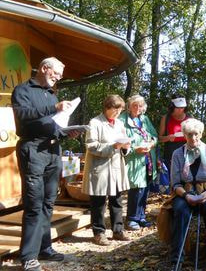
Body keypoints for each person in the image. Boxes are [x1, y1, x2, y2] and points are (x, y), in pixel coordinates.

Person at [12, 57, 82, 271]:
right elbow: (23, 115)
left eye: (60, 75)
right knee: (33, 204)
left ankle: (44, 248)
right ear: (44, 68)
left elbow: (51, 124)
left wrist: (66, 132)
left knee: (48, 202)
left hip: (53, 151)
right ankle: (28, 257)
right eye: (56, 73)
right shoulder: (23, 90)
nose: (58, 78)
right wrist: (54, 107)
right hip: (32, 150)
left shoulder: (51, 93)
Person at [169, 118, 206, 271]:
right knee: (180, 210)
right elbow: (175, 182)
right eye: (189, 134)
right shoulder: (178, 153)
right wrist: (186, 196)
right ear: (184, 135)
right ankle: (176, 258)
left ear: (201, 134)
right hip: (184, 191)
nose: (193, 138)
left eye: (196, 134)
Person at [82, 95, 131, 245]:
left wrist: (126, 148)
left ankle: (118, 230)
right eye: (115, 109)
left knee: (117, 201)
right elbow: (91, 145)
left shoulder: (120, 124)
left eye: (120, 110)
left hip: (116, 168)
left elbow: (124, 145)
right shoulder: (95, 122)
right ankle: (99, 233)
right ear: (107, 107)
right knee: (98, 202)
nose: (118, 113)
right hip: (100, 168)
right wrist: (112, 147)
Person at [120, 95, 158, 230]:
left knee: (145, 187)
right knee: (136, 188)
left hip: (148, 159)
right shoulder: (122, 120)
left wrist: (152, 143)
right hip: (134, 160)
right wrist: (136, 149)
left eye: (140, 105)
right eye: (134, 105)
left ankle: (141, 216)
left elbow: (154, 135)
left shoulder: (144, 119)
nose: (137, 108)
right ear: (129, 106)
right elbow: (121, 143)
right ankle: (131, 219)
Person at [158, 96, 190, 171]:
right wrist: (168, 138)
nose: (180, 110)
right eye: (178, 107)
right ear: (172, 107)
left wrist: (189, 137)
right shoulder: (166, 118)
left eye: (182, 107)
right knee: (172, 177)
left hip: (187, 150)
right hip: (170, 151)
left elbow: (197, 136)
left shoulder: (190, 118)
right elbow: (159, 138)